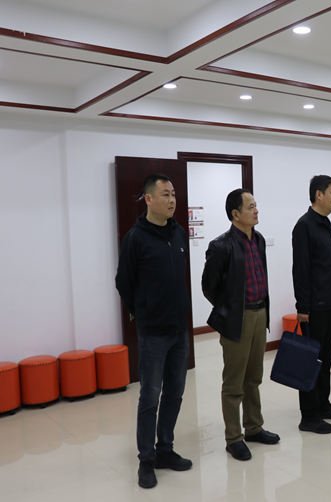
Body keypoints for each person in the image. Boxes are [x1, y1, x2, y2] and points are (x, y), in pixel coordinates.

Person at [115, 173, 192, 489]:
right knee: (150, 396)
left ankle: (165, 449)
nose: (172, 200)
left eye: (173, 194)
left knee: (175, 392)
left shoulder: (179, 233)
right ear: (148, 199)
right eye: (165, 194)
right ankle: (146, 460)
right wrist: (141, 310)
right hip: (153, 333)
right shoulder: (135, 238)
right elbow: (123, 282)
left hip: (179, 330)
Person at [201, 189, 279, 462]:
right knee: (234, 382)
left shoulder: (258, 239)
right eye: (251, 206)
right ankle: (234, 438)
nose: (256, 210)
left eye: (256, 205)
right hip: (238, 318)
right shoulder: (221, 246)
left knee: (253, 377)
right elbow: (209, 286)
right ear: (235, 214)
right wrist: (230, 309)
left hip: (260, 313)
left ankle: (254, 428)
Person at [292, 175, 331, 434]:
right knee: (310, 362)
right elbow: (301, 270)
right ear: (318, 194)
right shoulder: (304, 226)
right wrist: (302, 307)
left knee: (325, 360)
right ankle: (309, 416)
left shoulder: (324, 224)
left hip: (329, 304)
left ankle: (323, 404)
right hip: (313, 308)